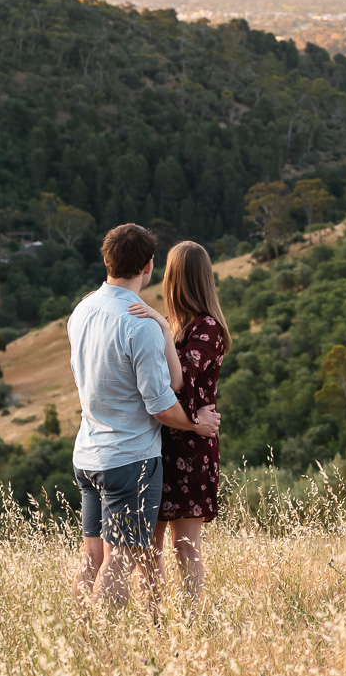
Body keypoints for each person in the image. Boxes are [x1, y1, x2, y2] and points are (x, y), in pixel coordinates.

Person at [67, 224, 221, 614]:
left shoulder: (83, 309)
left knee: (97, 555)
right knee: (121, 557)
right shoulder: (142, 323)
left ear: (106, 260)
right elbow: (164, 400)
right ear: (150, 266)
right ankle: (104, 641)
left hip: (91, 451)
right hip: (131, 456)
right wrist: (193, 423)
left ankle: (78, 637)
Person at [128, 240, 231, 606]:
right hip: (159, 441)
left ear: (176, 279)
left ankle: (190, 626)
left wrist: (156, 320)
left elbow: (180, 378)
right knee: (148, 548)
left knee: (184, 547)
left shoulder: (209, 327)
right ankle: (155, 624)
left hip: (191, 446)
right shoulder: (175, 326)